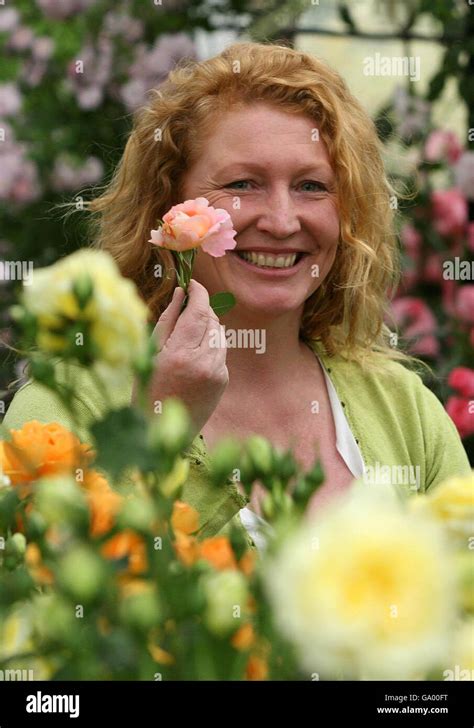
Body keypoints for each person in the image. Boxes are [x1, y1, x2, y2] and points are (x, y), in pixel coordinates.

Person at [3, 41, 470, 550]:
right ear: (167, 202)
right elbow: (43, 605)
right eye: (243, 183)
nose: (281, 220)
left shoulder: (405, 409)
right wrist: (159, 429)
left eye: (312, 186)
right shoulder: (67, 405)